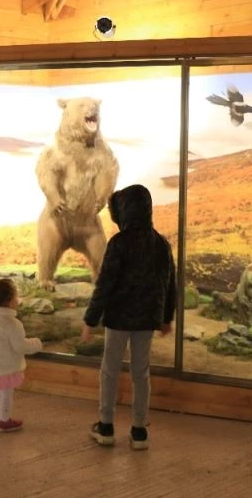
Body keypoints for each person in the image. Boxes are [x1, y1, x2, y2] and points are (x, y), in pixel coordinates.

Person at [81, 184, 177, 450]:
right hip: (147, 320)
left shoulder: (119, 243)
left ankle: (106, 425)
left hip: (118, 319)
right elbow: (170, 283)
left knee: (109, 371)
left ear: (125, 210)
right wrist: (166, 317)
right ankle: (138, 431)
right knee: (141, 373)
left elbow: (105, 284)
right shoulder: (160, 244)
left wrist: (91, 319)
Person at [0, 278, 42, 432]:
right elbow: (20, 346)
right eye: (16, 296)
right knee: (6, 393)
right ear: (9, 301)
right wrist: (36, 343)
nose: (17, 300)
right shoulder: (13, 324)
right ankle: (5, 421)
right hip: (6, 368)